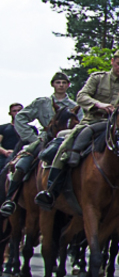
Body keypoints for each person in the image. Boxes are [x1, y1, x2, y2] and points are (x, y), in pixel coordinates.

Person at [36, 51, 119, 209]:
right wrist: (99, 105)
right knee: (66, 145)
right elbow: (81, 96)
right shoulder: (98, 78)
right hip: (92, 122)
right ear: (112, 61)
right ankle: (50, 190)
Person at [0, 74, 77, 216]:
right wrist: (32, 138)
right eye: (58, 82)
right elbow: (21, 117)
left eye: (64, 82)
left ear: (68, 85)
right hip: (44, 140)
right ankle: (10, 199)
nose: (61, 85)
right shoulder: (42, 103)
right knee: (23, 161)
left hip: (66, 140)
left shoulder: (75, 106)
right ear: (53, 85)